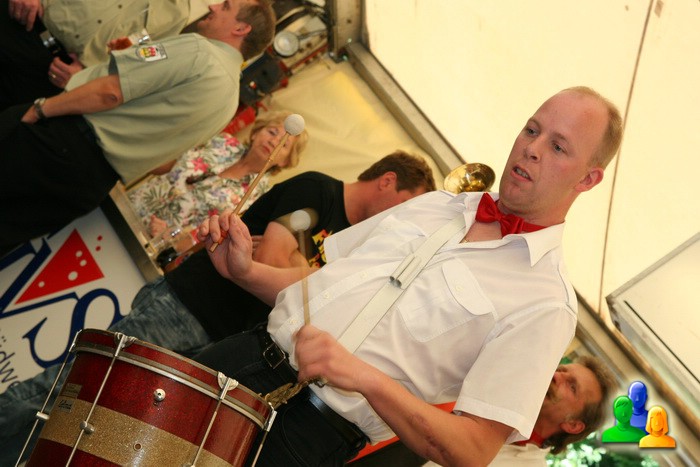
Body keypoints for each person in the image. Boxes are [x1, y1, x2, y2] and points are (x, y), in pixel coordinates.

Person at [191, 86, 624, 465]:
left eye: (558, 147)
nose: (532, 148)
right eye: (532, 130)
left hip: (304, 431)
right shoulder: (436, 204)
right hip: (244, 357)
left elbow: (473, 450)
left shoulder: (547, 304)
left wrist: (364, 377)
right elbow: (321, 289)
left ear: (588, 179)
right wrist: (246, 272)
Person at [0, 151, 436, 466]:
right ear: (387, 180)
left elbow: (289, 272)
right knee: (73, 385)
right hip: (188, 306)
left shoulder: (355, 241)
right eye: (406, 203)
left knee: (105, 415)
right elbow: (275, 260)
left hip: (223, 341)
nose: (401, 218)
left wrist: (299, 268)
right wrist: (306, 272)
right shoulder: (318, 190)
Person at [0, 0, 276, 257]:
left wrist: (41, 109)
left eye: (226, 6)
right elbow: (163, 163)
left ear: (241, 28)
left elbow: (111, 92)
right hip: (91, 184)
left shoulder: (198, 50)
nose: (213, 7)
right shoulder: (229, 102)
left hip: (58, 144)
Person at [358, 356, 618, 467]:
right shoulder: (485, 397)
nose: (557, 376)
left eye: (571, 386)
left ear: (573, 425)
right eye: (562, 369)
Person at [128, 110, 309, 240]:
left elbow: (215, 237)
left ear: (286, 161)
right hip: (131, 204)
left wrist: (173, 238)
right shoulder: (223, 141)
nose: (274, 141)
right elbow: (172, 163)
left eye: (284, 144)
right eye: (272, 132)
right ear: (255, 133)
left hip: (154, 242)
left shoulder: (258, 198)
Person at [1, 0, 211, 107]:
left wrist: (85, 76)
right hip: (19, 20)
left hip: (53, 72)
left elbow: (140, 60)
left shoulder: (178, 15)